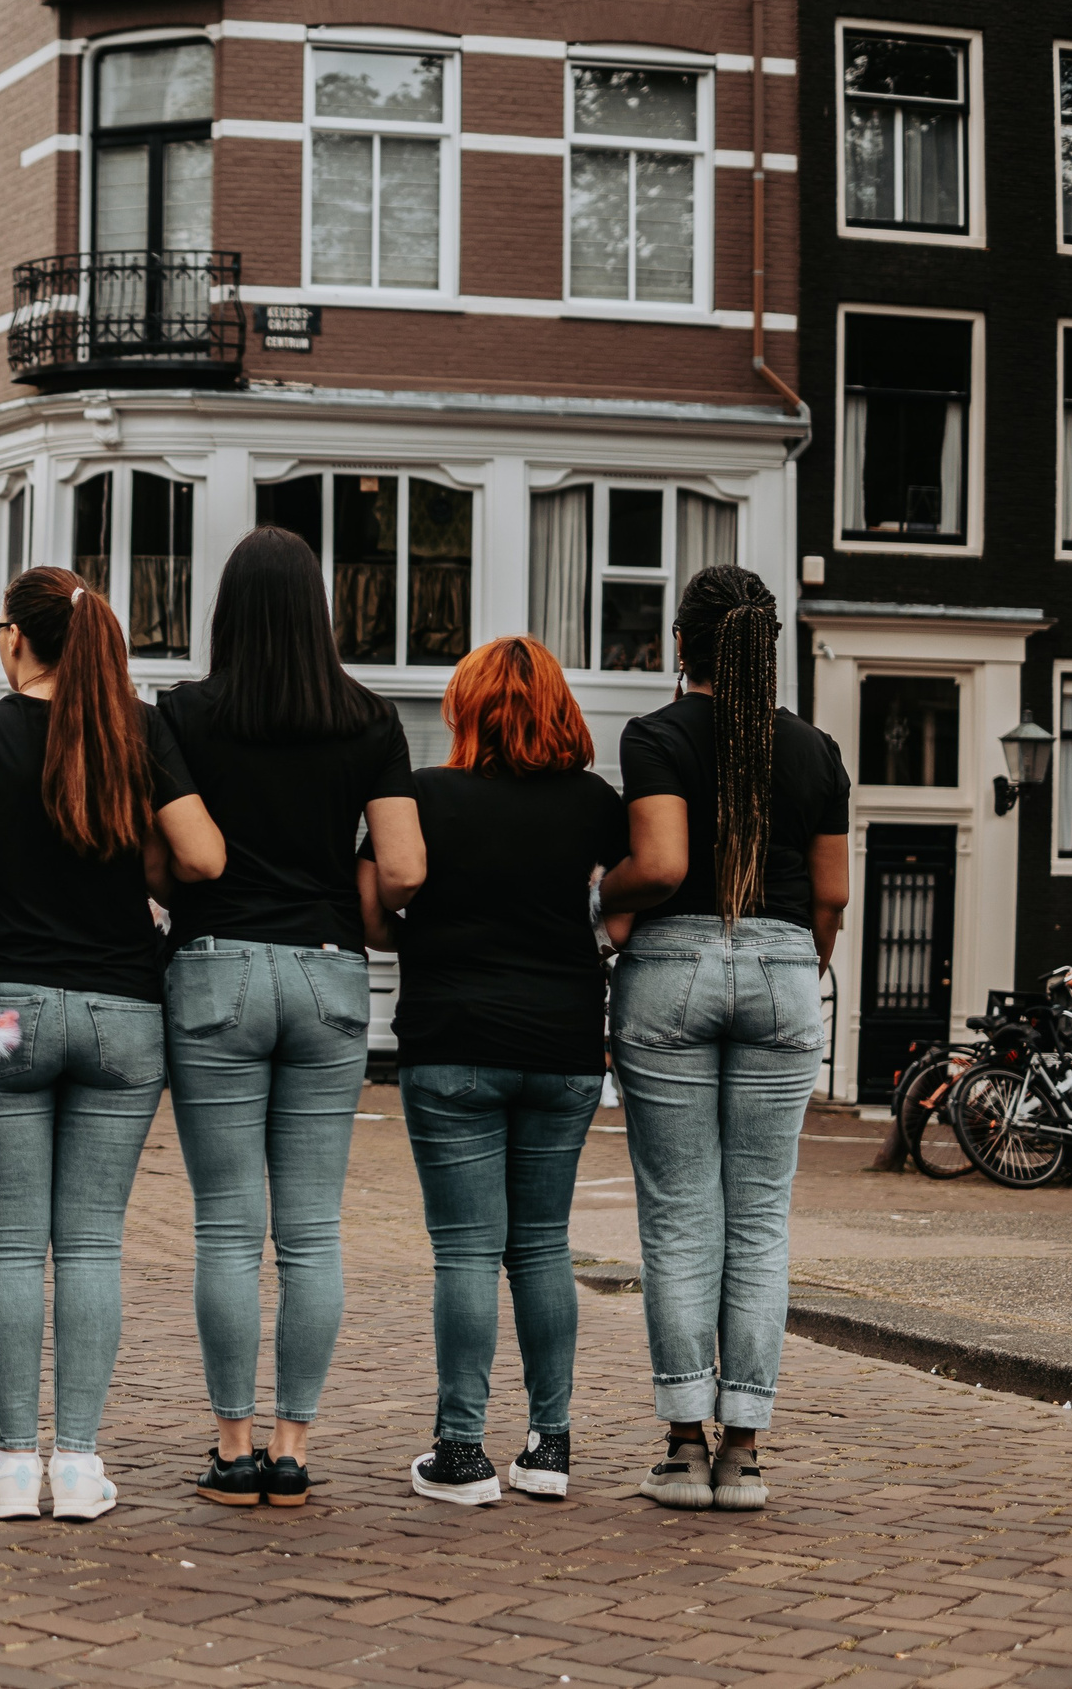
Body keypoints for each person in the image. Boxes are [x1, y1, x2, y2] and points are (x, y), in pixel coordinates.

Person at [0, 566, 223, 1522]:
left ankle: (13, 1464)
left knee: (10, 1243)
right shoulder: (138, 729)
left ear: (15, 639)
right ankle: (80, 1464)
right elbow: (203, 858)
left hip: (7, 1008)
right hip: (124, 1013)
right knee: (91, 1245)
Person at [153, 526, 423, 1509]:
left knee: (227, 1227)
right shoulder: (367, 719)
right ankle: (293, 1447)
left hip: (216, 970)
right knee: (310, 1231)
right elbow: (402, 870)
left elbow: (176, 860)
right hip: (327, 975)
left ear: (227, 613)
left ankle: (231, 1448)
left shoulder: (179, 715)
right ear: (320, 610)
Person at [600, 564, 850, 1513]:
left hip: (673, 971)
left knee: (679, 1216)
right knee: (760, 1217)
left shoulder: (657, 735)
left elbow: (659, 865)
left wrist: (602, 897)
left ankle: (680, 1443)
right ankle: (744, 1449)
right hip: (785, 970)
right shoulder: (817, 750)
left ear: (680, 646)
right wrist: (797, 964)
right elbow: (830, 898)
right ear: (769, 648)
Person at [355, 636, 626, 1506]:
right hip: (563, 1046)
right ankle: (549, 1447)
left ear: (465, 709)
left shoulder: (424, 796)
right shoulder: (595, 802)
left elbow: (373, 912)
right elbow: (625, 899)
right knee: (542, 1246)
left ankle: (462, 1453)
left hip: (454, 1039)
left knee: (466, 1252)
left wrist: (424, 937)